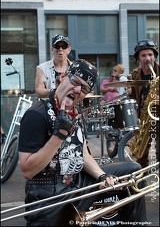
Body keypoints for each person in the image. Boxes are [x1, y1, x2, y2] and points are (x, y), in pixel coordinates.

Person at [18, 59, 147, 226]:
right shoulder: (36, 114)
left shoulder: (75, 112)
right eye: (75, 82)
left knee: (133, 173)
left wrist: (102, 175)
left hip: (77, 181)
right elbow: (27, 170)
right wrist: (59, 135)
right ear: (63, 77)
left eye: (84, 88)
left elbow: (82, 152)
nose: (77, 90)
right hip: (48, 191)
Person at [129, 39, 159, 168]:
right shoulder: (135, 75)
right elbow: (133, 98)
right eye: (143, 55)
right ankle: (142, 183)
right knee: (140, 156)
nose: (147, 58)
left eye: (150, 55)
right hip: (144, 119)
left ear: (155, 56)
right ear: (138, 59)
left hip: (158, 118)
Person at [35, 34, 72, 98]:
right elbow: (39, 90)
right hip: (49, 106)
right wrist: (55, 92)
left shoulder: (75, 68)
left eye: (64, 46)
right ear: (52, 49)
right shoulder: (42, 68)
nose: (60, 49)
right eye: (57, 46)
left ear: (69, 50)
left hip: (71, 106)